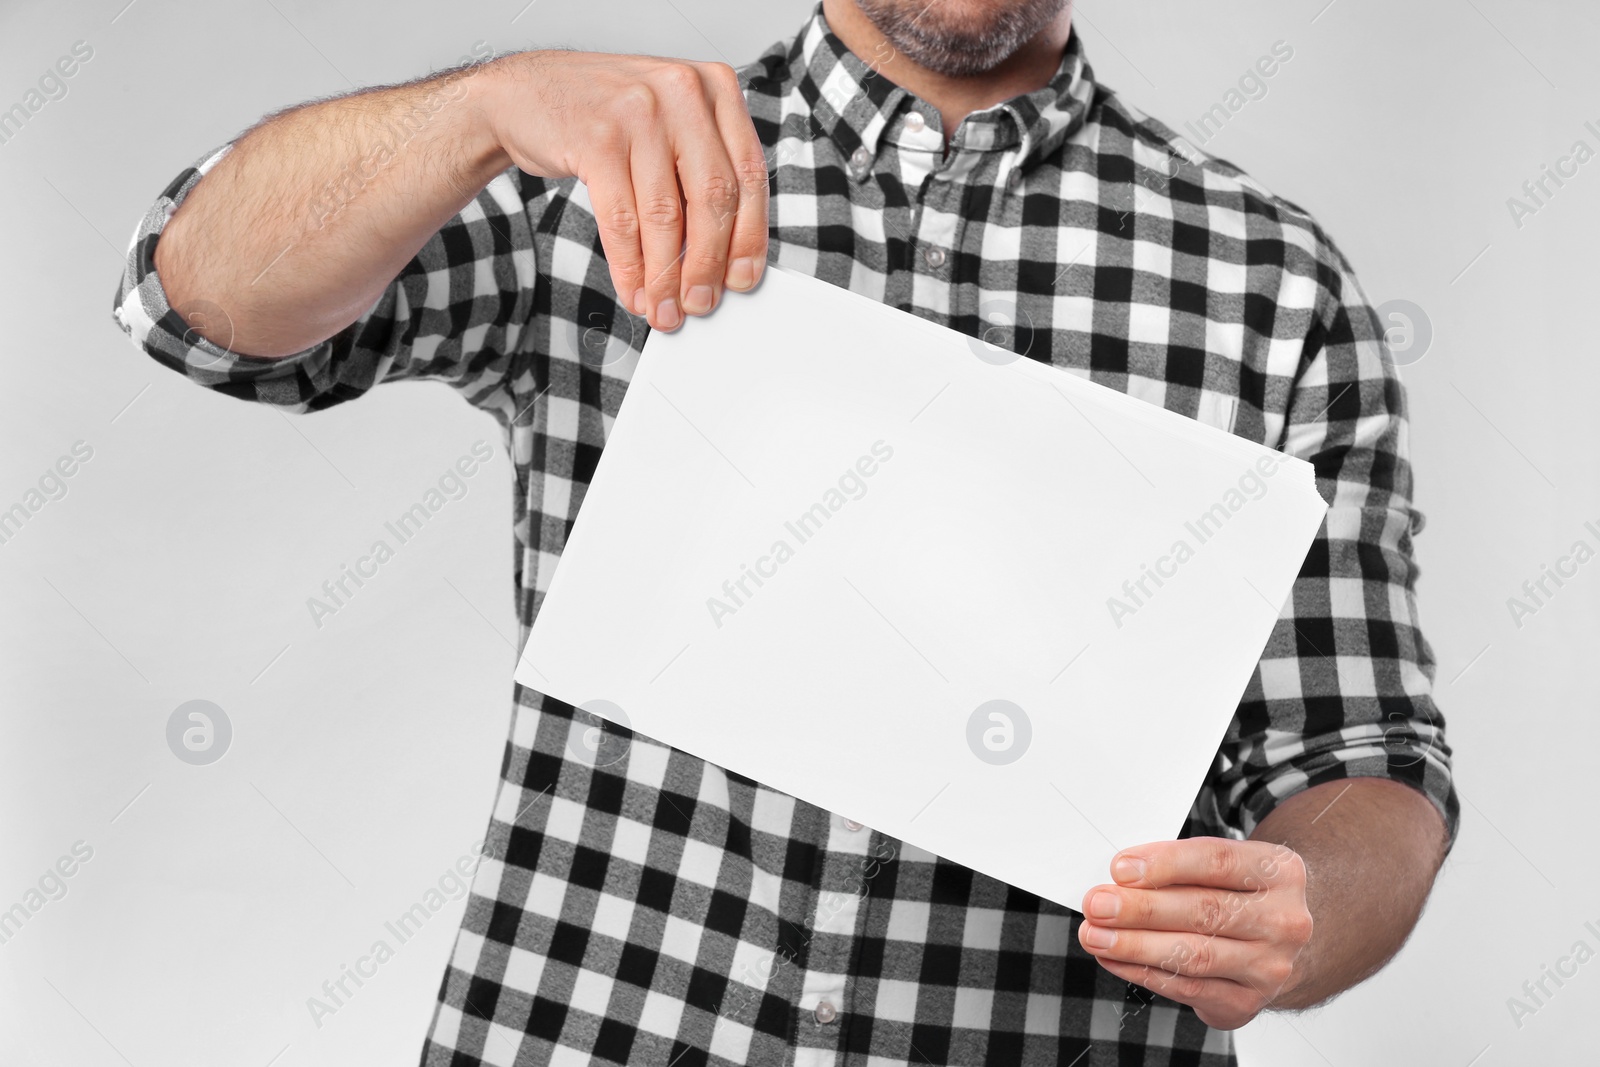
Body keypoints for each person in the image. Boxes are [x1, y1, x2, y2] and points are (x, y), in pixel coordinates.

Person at [111, 0, 1459, 1062]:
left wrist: (1303, 912)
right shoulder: (597, 166)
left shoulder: (1270, 285)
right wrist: (475, 108)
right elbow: (197, 305)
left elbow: (1365, 759)